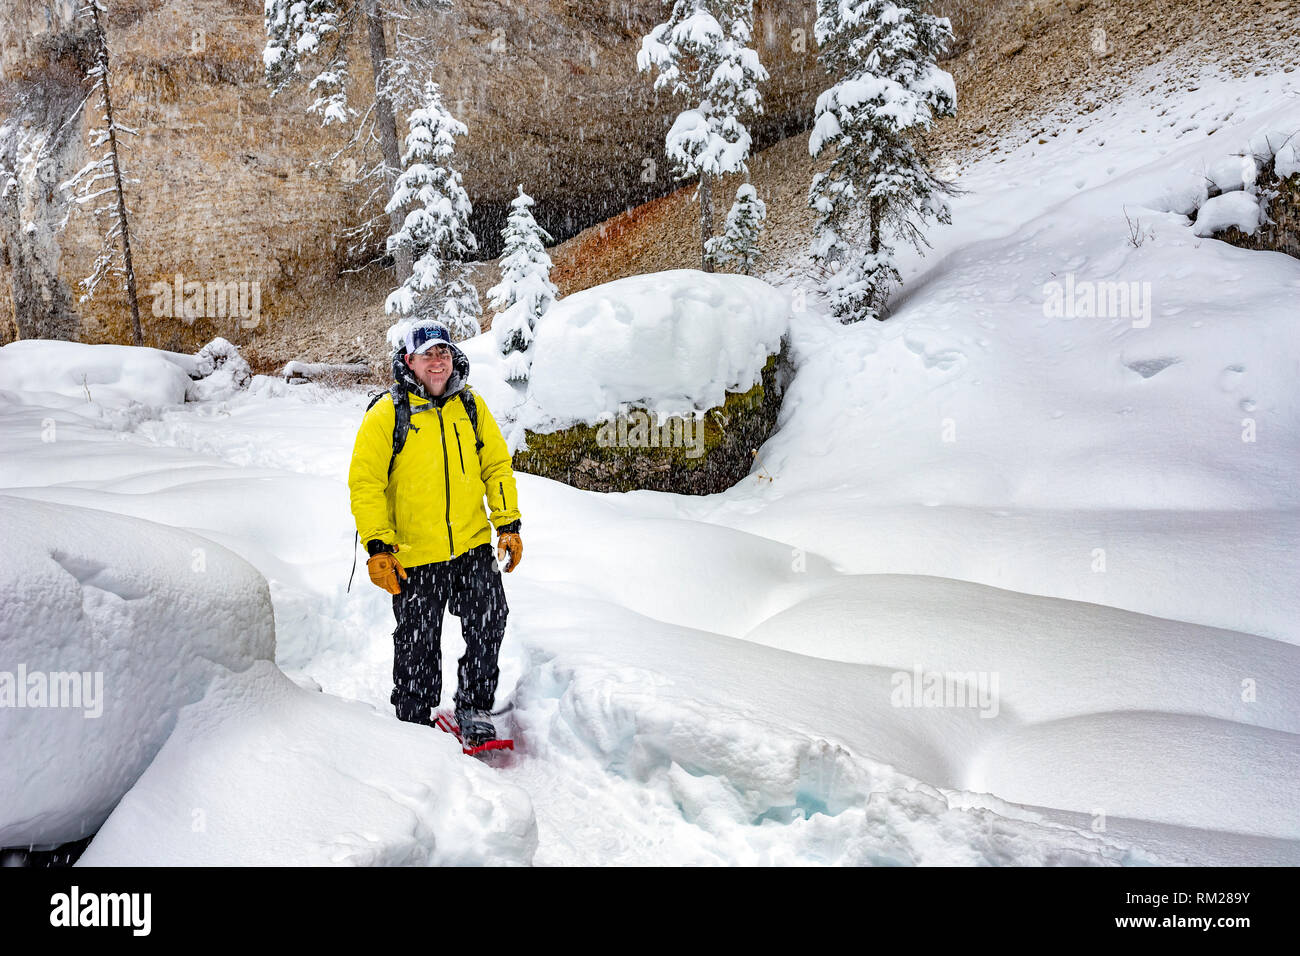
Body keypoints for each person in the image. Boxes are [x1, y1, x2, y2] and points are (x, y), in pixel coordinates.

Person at [348, 320, 523, 747]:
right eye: (427, 354)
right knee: (417, 640)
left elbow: (496, 467)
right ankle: (413, 716)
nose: (437, 361)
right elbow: (365, 482)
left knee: (489, 620)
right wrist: (377, 546)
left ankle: (475, 706)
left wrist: (508, 524)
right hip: (413, 553)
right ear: (409, 361)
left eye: (443, 352)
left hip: (470, 545)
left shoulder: (471, 407)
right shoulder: (388, 412)